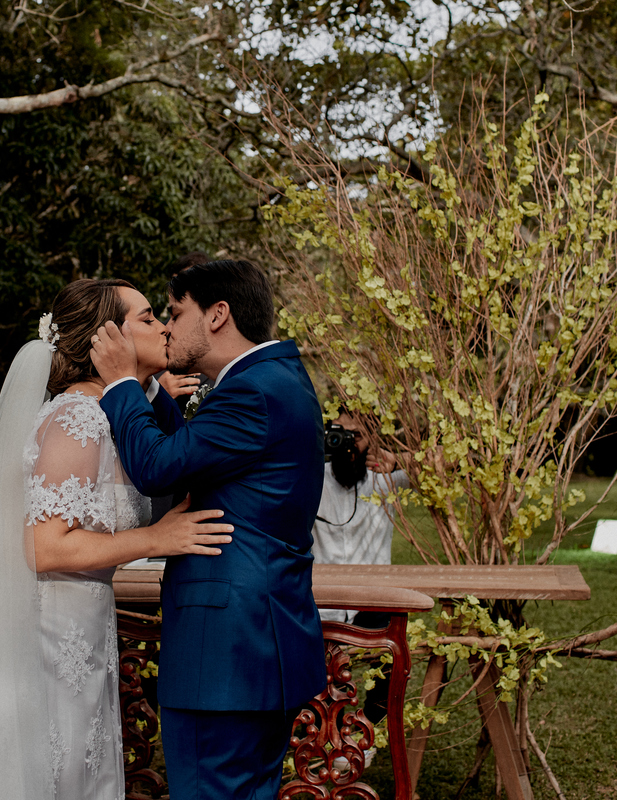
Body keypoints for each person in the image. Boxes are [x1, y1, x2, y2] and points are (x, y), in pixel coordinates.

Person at [0, 278, 232, 800]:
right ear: (107, 339)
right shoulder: (78, 417)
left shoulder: (111, 413)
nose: (162, 327)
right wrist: (155, 538)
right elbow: (45, 547)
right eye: (149, 317)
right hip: (47, 636)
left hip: (81, 627)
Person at [92, 259, 326, 800]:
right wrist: (151, 393)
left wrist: (122, 384)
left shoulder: (254, 391)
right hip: (257, 645)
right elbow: (195, 458)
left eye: (176, 312)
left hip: (224, 656)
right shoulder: (270, 380)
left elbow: (157, 469)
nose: (168, 327)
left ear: (218, 314)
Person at [313, 410, 410, 733]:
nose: (348, 444)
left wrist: (401, 459)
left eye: (358, 436)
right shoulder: (310, 477)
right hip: (321, 602)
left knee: (392, 649)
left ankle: (367, 725)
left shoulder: (387, 480)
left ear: (373, 440)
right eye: (341, 433)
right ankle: (328, 728)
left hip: (373, 600)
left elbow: (449, 465)